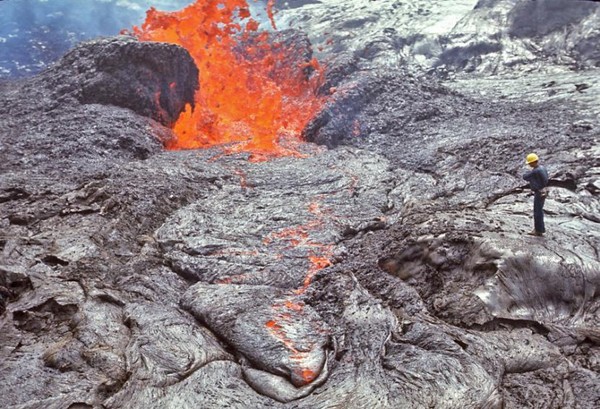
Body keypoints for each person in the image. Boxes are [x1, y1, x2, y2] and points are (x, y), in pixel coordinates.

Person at [523, 153, 549, 236]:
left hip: (539, 192)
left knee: (537, 212)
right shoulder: (542, 168)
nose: (529, 164)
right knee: (539, 210)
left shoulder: (535, 171)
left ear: (533, 162)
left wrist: (529, 171)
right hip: (543, 191)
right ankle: (540, 229)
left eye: (530, 163)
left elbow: (525, 177)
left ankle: (538, 230)